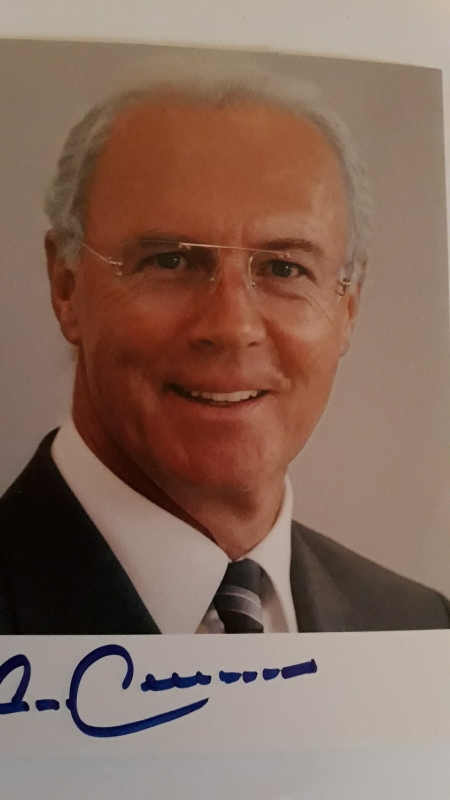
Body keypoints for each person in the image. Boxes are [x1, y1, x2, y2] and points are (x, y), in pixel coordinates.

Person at [1, 54, 448, 634]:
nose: (233, 327)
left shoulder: (420, 625)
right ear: (65, 286)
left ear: (349, 306)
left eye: (284, 269)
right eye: (170, 261)